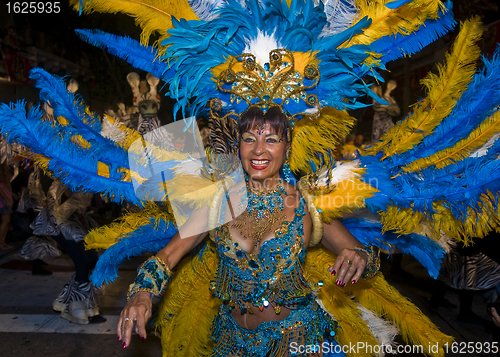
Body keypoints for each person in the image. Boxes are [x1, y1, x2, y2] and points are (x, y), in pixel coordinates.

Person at [118, 106, 376, 355]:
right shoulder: (217, 202)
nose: (259, 150)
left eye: (272, 140)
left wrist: (360, 257)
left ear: (287, 148)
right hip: (231, 340)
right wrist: (142, 293)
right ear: (238, 146)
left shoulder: (306, 204)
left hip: (294, 339)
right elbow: (168, 255)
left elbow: (363, 254)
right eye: (249, 139)